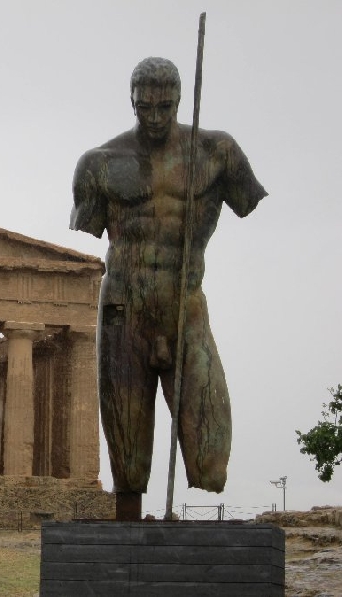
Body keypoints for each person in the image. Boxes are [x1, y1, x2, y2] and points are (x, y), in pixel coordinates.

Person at [71, 57, 267, 520]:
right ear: (132, 102)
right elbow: (89, 229)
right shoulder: (99, 164)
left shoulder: (218, 153)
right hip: (124, 308)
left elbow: (247, 201)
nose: (155, 117)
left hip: (184, 305)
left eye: (164, 106)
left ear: (178, 101)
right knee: (128, 451)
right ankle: (128, 518)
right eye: (145, 107)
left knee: (209, 456)